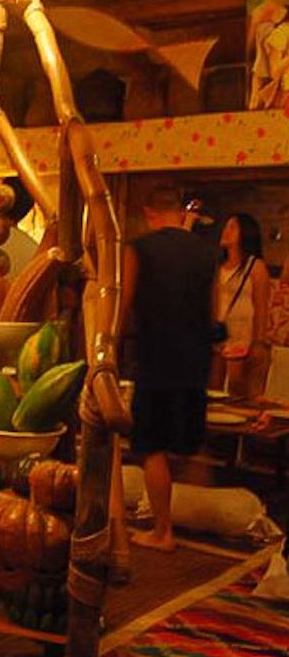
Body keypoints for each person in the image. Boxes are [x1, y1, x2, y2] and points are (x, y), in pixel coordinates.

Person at [120, 185, 218, 552]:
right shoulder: (208, 253)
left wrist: (107, 348)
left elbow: (124, 302)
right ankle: (200, 523)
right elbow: (214, 313)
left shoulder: (140, 249)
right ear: (179, 212)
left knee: (152, 446)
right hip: (196, 360)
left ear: (150, 214)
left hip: (155, 358)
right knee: (191, 443)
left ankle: (163, 531)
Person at [210, 213, 271, 398]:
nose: (226, 231)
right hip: (220, 338)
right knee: (214, 391)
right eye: (226, 227)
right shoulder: (218, 267)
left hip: (244, 338)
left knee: (241, 393)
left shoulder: (255, 267)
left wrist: (258, 342)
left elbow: (261, 307)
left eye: (233, 227)